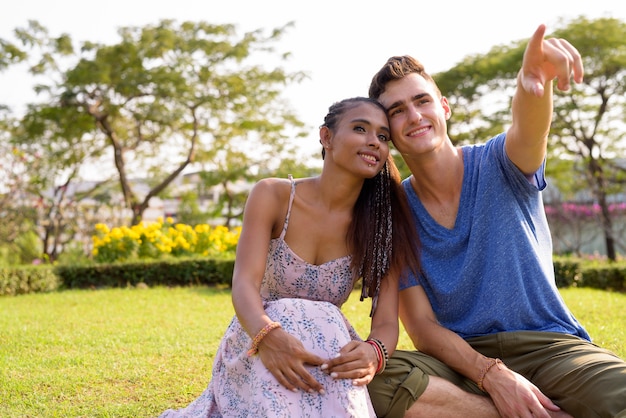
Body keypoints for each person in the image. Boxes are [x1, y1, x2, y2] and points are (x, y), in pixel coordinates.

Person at [363, 24, 626, 418]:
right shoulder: (395, 213)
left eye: (422, 101)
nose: (414, 116)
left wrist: (531, 83)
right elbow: (421, 326)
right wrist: (492, 376)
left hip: (550, 347)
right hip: (462, 362)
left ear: (444, 107)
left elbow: (529, 128)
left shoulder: (499, 162)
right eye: (397, 111)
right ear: (388, 132)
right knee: (375, 382)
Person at [158, 97, 421, 417]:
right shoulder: (273, 195)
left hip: (327, 355)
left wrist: (372, 352)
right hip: (259, 343)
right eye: (359, 129)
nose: (373, 142)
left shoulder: (380, 224)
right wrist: (269, 338)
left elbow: (384, 323)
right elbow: (243, 284)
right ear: (326, 137)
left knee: (325, 317)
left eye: (382, 136)